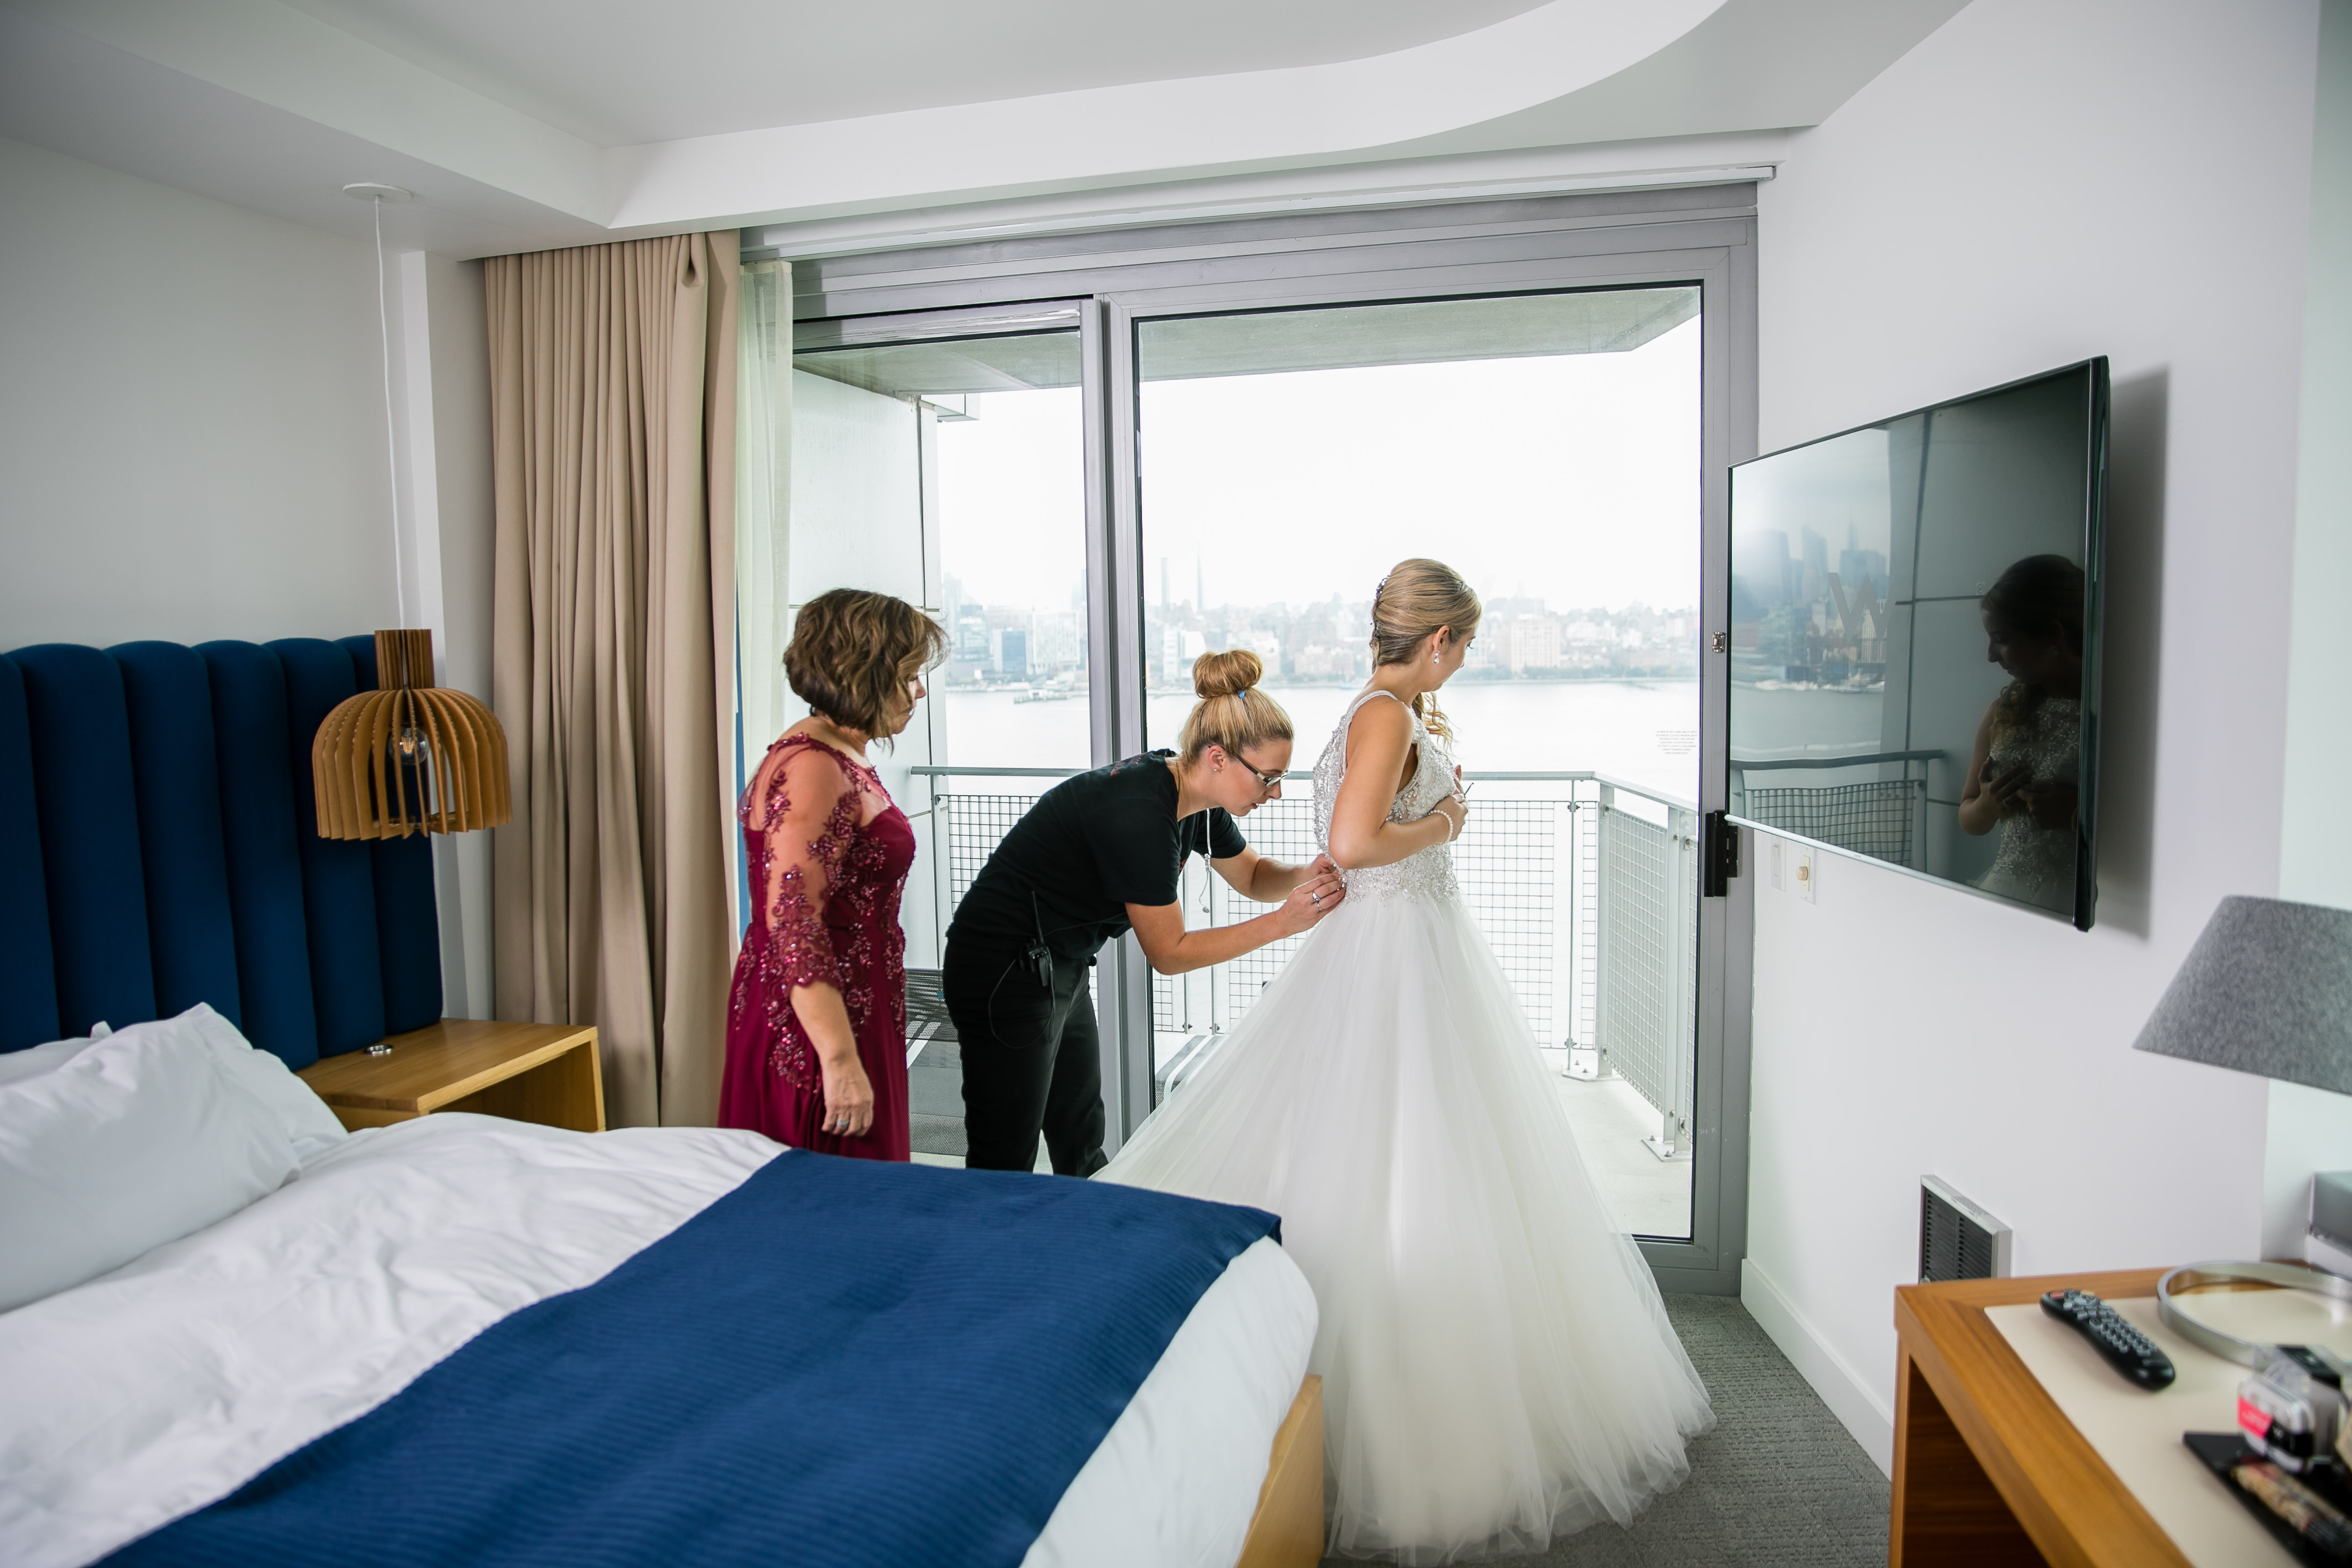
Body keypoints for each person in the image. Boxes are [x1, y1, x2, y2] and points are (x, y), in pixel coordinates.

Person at [1100, 559, 1713, 1562]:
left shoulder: (1375, 712)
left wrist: (1426, 825)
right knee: (1416, 1156)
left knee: (1398, 1159)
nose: (1464, 662)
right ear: (1439, 642)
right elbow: (1354, 837)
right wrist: (1445, 821)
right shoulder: (1385, 715)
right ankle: (1401, 1415)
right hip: (1397, 955)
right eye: (1463, 644)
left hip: (1400, 945)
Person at [943, 649, 1345, 1176]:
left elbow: (1250, 875)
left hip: (1057, 962)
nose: (1275, 792)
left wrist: (1305, 876)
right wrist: (1283, 923)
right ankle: (990, 1256)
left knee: (1081, 1132)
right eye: (1269, 777)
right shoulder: (1139, 815)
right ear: (1219, 758)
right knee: (1004, 1155)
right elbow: (1169, 954)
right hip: (1002, 967)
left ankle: (1088, 1250)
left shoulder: (1194, 800)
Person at [719, 588, 945, 1159]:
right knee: (832, 1197)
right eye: (908, 674)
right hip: (822, 1019)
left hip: (852, 1003)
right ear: (864, 674)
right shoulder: (815, 768)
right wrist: (839, 1060)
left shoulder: (832, 752)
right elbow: (794, 924)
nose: (918, 689)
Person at [1957, 554, 2086, 911]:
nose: (1990, 656)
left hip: (2085, 903)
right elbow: (1968, 817)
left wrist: (2077, 815)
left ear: (2052, 635)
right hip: (2004, 892)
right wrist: (1988, 804)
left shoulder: (2115, 717)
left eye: (2000, 639)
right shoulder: (2003, 714)